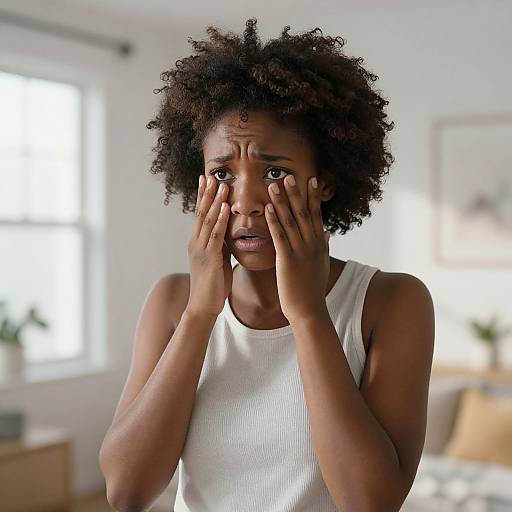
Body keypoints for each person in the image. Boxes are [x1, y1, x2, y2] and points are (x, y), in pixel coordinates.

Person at [99, 18, 435, 512]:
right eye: (222, 174)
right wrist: (200, 314)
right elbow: (126, 492)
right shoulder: (172, 302)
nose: (245, 201)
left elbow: (369, 503)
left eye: (274, 171)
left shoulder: (391, 302)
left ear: (325, 182)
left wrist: (307, 315)